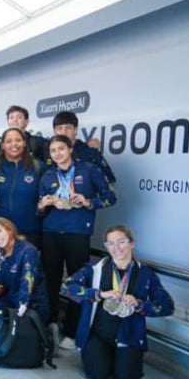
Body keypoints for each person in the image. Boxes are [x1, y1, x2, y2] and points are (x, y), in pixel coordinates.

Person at [62, 225, 175, 379]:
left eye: (121, 242)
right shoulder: (95, 269)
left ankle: (123, 359)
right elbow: (67, 287)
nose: (116, 248)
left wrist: (139, 304)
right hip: (98, 334)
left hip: (128, 336)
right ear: (106, 247)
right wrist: (99, 294)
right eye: (111, 244)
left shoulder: (146, 274)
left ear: (132, 243)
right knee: (98, 375)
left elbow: (167, 306)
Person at [39, 135, 116, 350]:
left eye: (61, 149)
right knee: (51, 281)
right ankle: (50, 323)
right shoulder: (47, 176)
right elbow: (39, 209)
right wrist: (43, 204)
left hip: (78, 233)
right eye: (53, 151)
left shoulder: (89, 170)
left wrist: (89, 202)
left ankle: (72, 330)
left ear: (70, 149)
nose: (57, 154)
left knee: (76, 283)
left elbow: (111, 197)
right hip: (51, 233)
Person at [0, 218, 50, 323]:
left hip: (31, 302)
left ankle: (47, 331)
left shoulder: (28, 251)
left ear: (9, 230)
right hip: (10, 299)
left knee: (14, 324)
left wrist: (22, 305)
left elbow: (27, 281)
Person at [0, 128, 43, 247]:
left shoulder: (38, 166)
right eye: (9, 141)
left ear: (24, 143)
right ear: (3, 145)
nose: (14, 144)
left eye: (18, 140)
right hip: (0, 233)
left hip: (30, 233)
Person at [49, 111, 116, 184]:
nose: (64, 132)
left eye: (68, 128)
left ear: (75, 130)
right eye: (60, 128)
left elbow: (110, 181)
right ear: (54, 132)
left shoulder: (90, 152)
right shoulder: (47, 151)